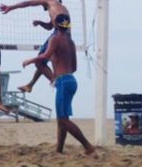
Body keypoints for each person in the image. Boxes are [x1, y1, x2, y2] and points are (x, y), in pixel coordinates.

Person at [22, 13, 94, 155]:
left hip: (63, 81)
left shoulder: (55, 39)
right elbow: (74, 67)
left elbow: (45, 55)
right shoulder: (71, 42)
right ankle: (59, 151)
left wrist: (30, 60)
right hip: (71, 80)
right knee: (62, 119)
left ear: (56, 25)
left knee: (63, 121)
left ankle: (88, 147)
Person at [1, 0, 69, 94]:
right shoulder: (59, 7)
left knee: (39, 62)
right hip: (67, 39)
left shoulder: (48, 0)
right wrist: (40, 23)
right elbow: (50, 26)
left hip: (59, 35)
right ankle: (30, 85)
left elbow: (28, 3)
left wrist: (11, 7)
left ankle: (57, 82)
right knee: (43, 63)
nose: (42, 5)